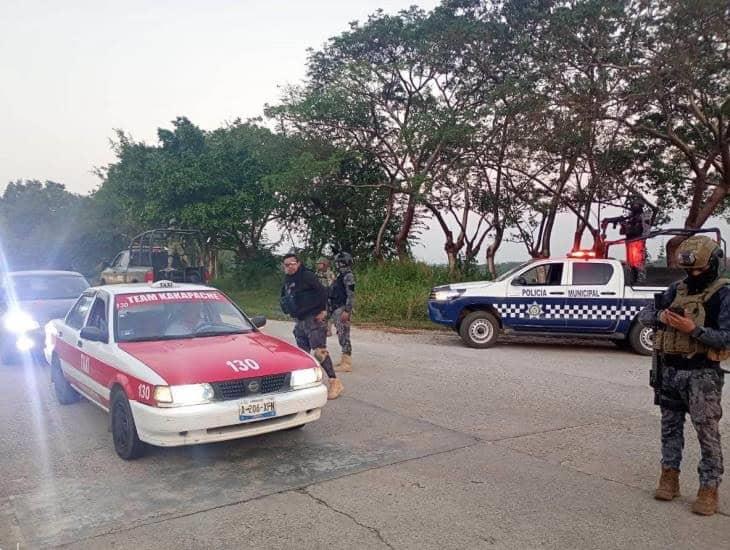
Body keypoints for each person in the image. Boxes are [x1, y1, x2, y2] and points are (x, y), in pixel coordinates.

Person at [639, 235, 728, 516]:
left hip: (702, 375)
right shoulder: (676, 289)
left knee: (707, 433)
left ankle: (709, 488)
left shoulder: (724, 295)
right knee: (670, 429)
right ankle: (669, 477)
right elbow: (644, 315)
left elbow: (725, 337)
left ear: (713, 264)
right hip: (670, 371)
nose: (694, 275)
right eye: (689, 270)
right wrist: (660, 317)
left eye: (699, 270)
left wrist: (694, 330)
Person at [280, 253, 343, 399]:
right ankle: (306, 384)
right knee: (303, 354)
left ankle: (334, 382)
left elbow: (323, 292)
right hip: (300, 320)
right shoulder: (288, 280)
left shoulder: (307, 276)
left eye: (292, 263)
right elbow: (285, 297)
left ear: (298, 263)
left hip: (313, 318)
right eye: (286, 265)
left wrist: (324, 311)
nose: (289, 267)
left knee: (319, 352)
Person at [330, 251, 356, 373]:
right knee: (341, 333)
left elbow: (351, 295)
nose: (337, 265)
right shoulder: (341, 276)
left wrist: (347, 310)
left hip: (342, 308)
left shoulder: (348, 276)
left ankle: (347, 362)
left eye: (339, 262)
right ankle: (344, 359)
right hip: (337, 308)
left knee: (344, 333)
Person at [315, 257, 336, 337]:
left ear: (325, 264)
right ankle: (320, 329)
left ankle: (328, 330)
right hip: (319, 295)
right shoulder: (317, 273)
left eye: (320, 264)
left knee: (328, 313)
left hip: (328, 295)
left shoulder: (330, 273)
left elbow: (332, 285)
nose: (318, 265)